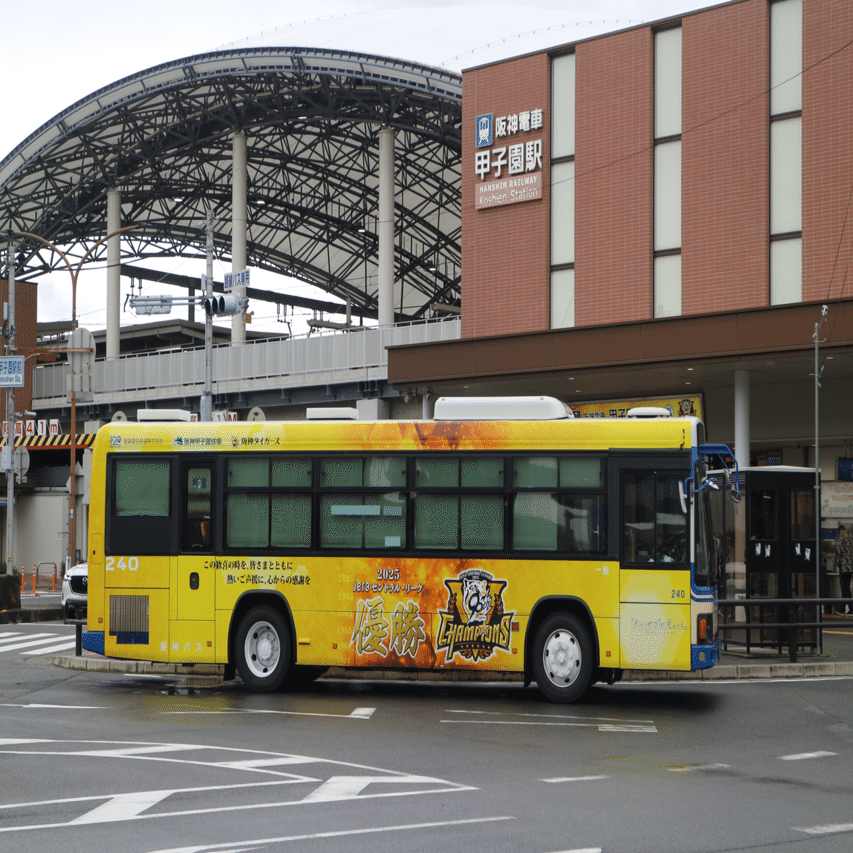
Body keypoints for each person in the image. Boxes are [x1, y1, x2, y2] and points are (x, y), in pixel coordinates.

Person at [836, 525, 853, 615]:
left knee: (845, 588)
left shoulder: (842, 537)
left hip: (844, 567)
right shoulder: (851, 537)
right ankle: (842, 608)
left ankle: (850, 608)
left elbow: (838, 551)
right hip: (850, 567)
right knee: (846, 587)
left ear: (840, 531)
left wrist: (836, 545)